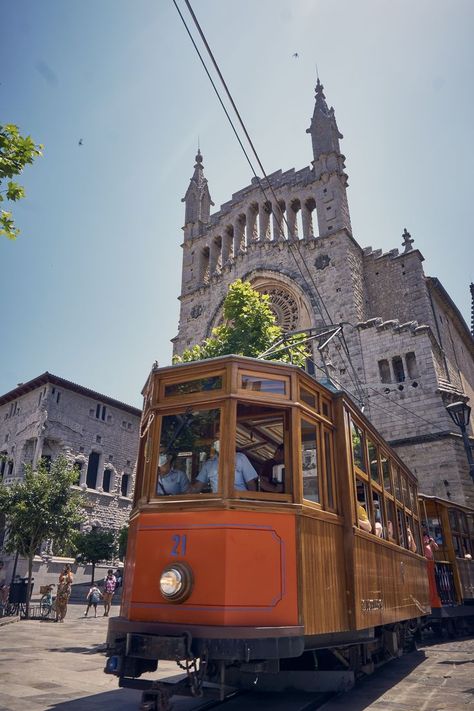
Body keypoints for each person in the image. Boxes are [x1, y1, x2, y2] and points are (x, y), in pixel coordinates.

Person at [190, 429, 258, 493]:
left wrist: (252, 502)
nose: (218, 441)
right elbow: (197, 487)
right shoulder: (209, 464)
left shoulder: (240, 458)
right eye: (216, 439)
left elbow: (251, 484)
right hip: (218, 503)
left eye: (221, 438)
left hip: (239, 502)